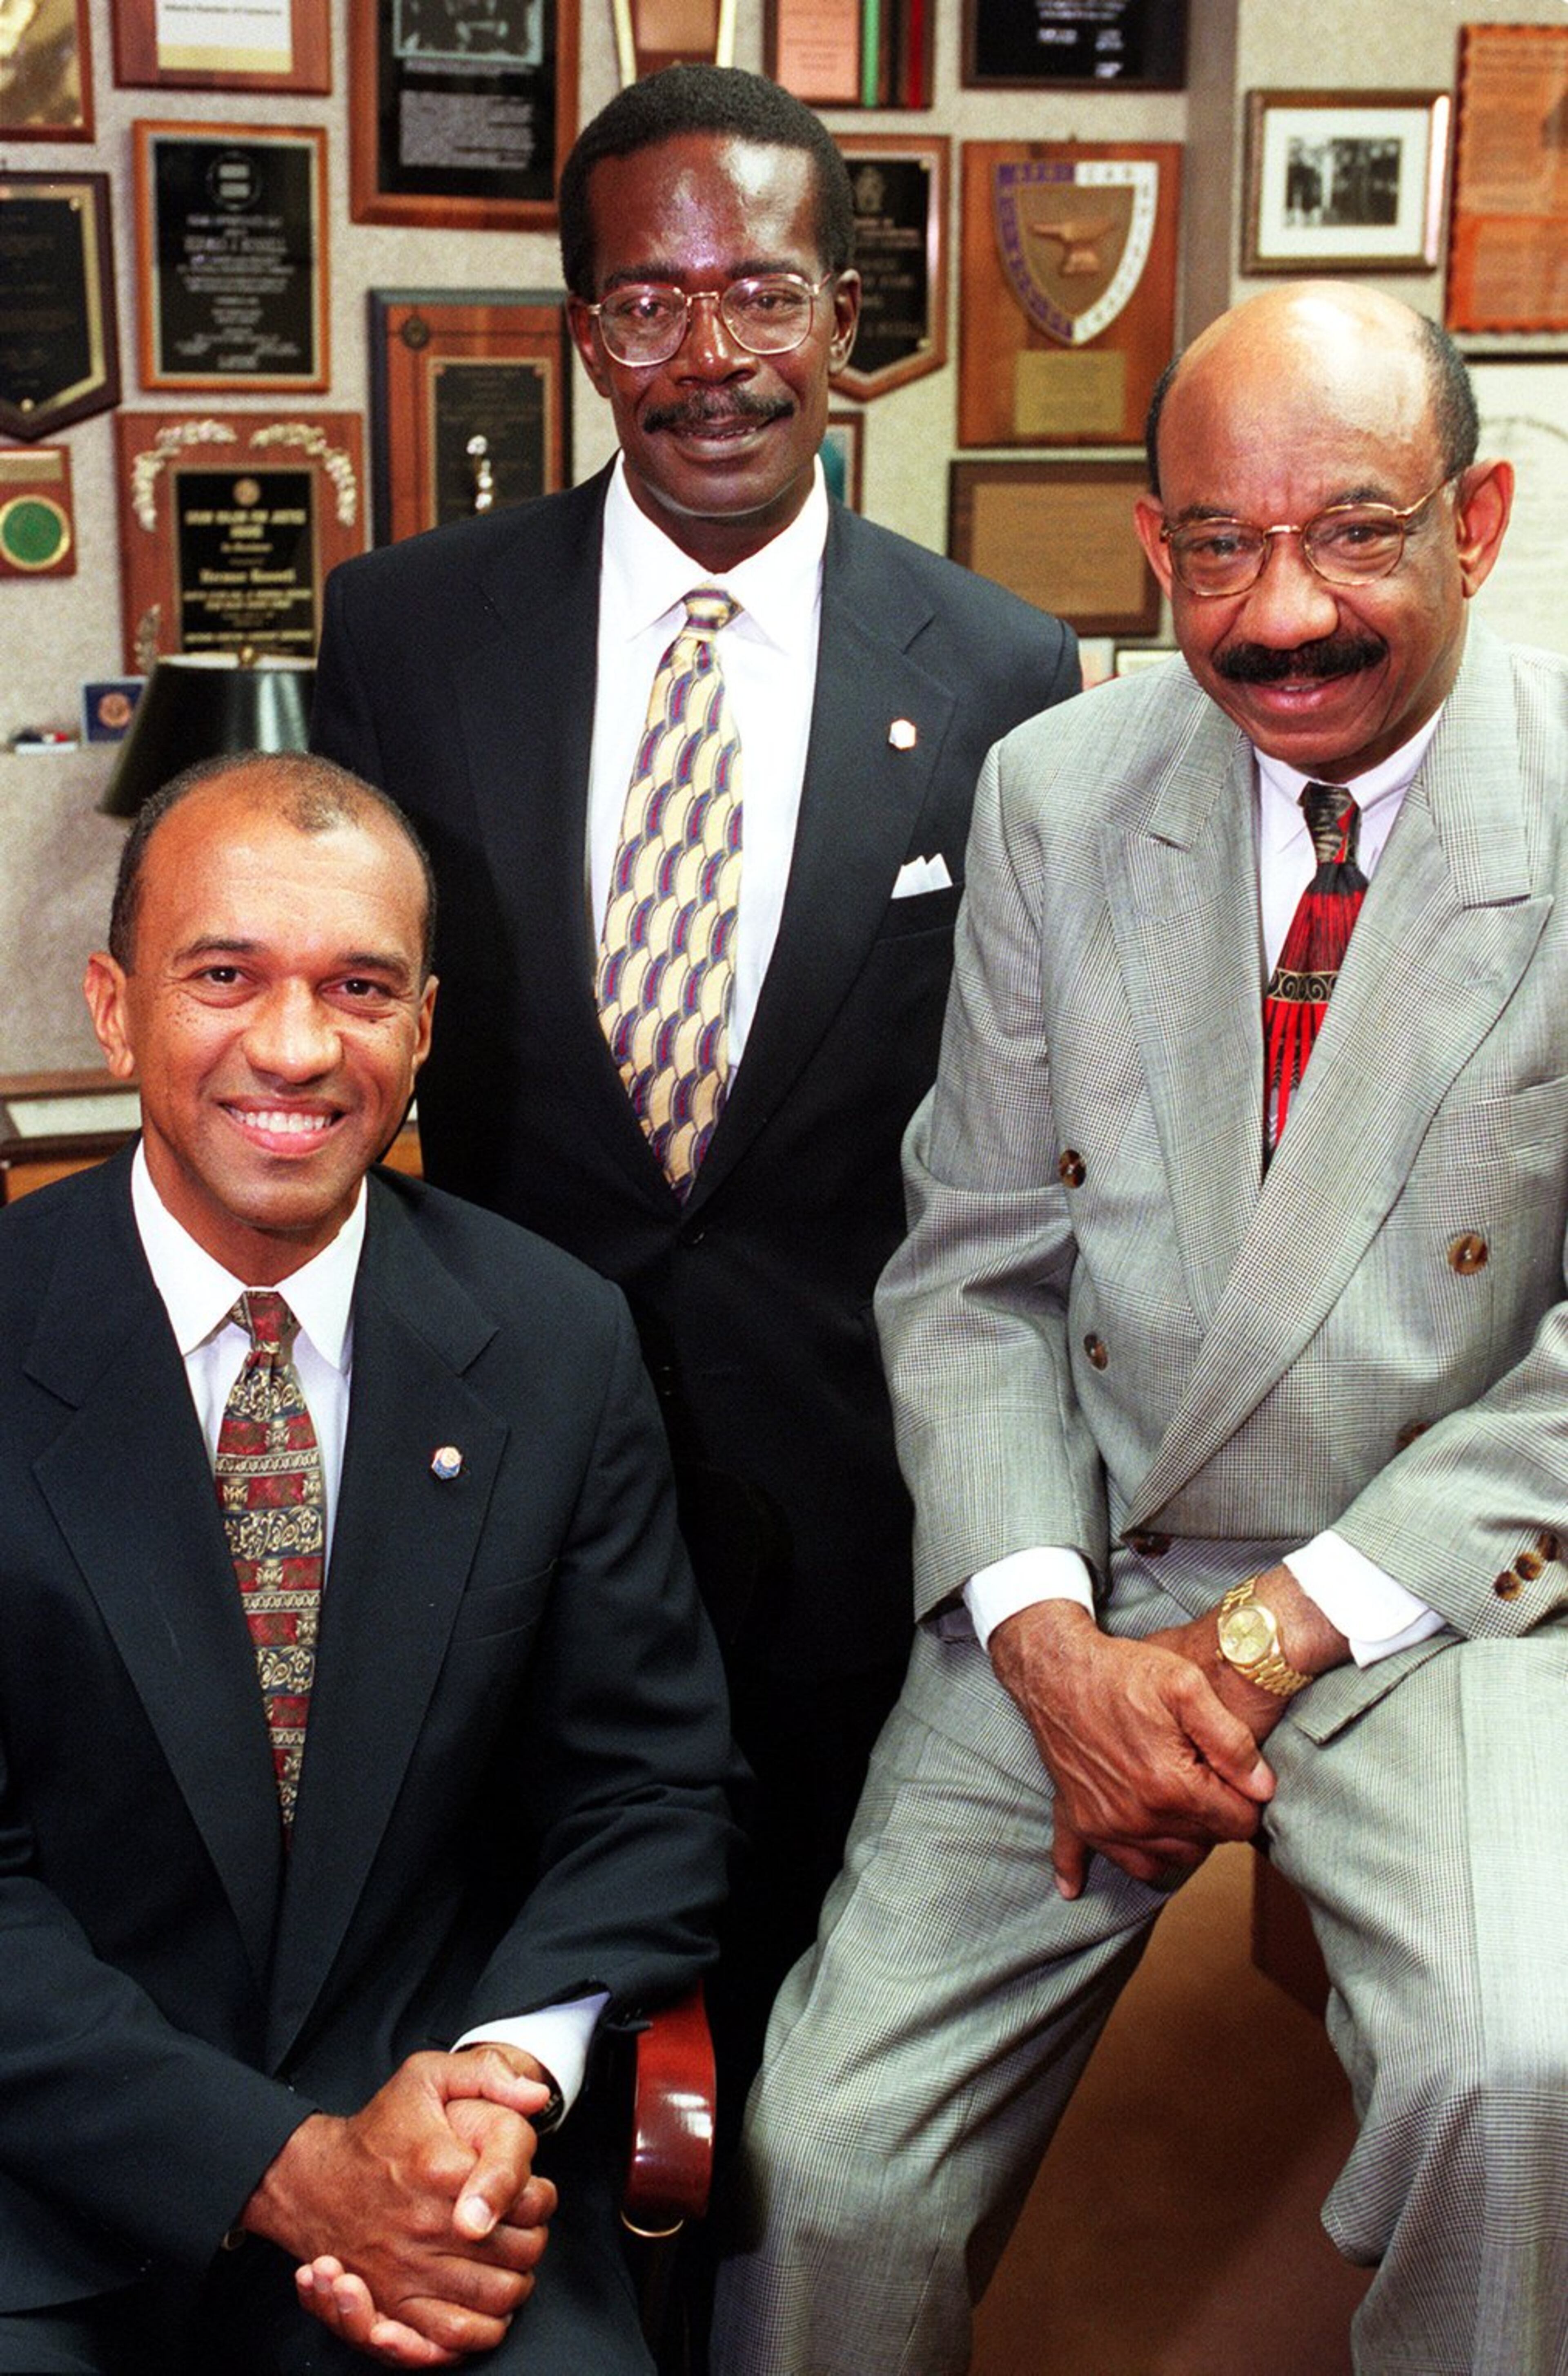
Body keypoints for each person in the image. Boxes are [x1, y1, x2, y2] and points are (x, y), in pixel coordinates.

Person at [713, 282, 1568, 2376]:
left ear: (1478, 523)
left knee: (1515, 2070)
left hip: (1435, 1584)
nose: (1282, 614)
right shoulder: (1059, 792)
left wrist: (1280, 1634)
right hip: (1090, 1571)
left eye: (1354, 532)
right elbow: (976, 1261)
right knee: (824, 2159)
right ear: (1148, 541)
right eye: (1221, 545)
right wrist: (1042, 1632)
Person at [310, 63, 1079, 2099]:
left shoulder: (1004, 671)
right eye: (645, 305)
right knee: (487, 2000)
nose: (709, 356)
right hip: (490, 1477)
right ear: (583, 338)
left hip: (851, 1492)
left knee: (814, 2048)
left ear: (847, 317)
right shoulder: (405, 629)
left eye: (763, 294)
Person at [0, 752, 735, 2376]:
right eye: (223, 977)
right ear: (115, 1011)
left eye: (359, 987)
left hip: (437, 2162)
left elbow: (651, 1788)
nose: (294, 1047)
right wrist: (281, 2171)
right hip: (46, 2184)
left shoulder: (553, 1340)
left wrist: (500, 2087)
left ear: (421, 1029)